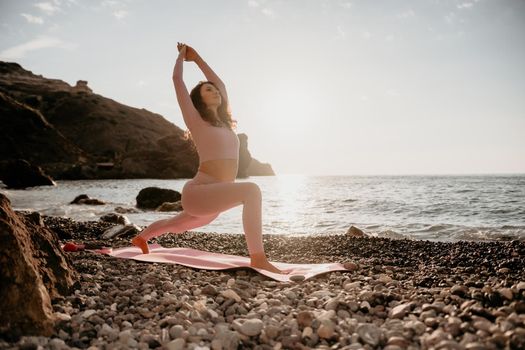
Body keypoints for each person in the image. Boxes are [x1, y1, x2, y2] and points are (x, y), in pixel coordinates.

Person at [131, 43, 287, 274]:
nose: (215, 91)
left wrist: (199, 59)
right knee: (251, 191)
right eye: (208, 91)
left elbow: (221, 84)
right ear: (199, 100)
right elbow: (177, 82)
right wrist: (183, 57)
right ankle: (258, 258)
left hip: (214, 197)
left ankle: (141, 238)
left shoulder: (225, 123)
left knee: (175, 225)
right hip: (200, 190)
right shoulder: (196, 121)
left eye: (215, 91)